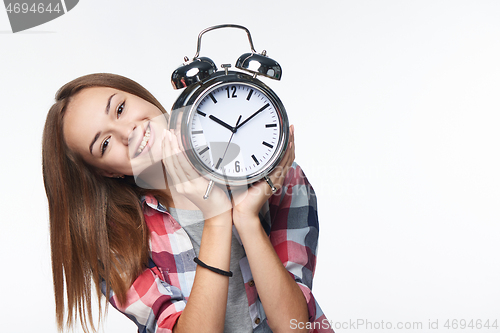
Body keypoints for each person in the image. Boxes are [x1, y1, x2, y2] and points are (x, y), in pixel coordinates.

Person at [42, 73, 333, 333]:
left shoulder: (274, 175)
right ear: (107, 171)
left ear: (138, 94)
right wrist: (217, 218)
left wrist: (247, 219)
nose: (127, 133)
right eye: (104, 144)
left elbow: (295, 327)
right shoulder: (115, 242)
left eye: (120, 109)